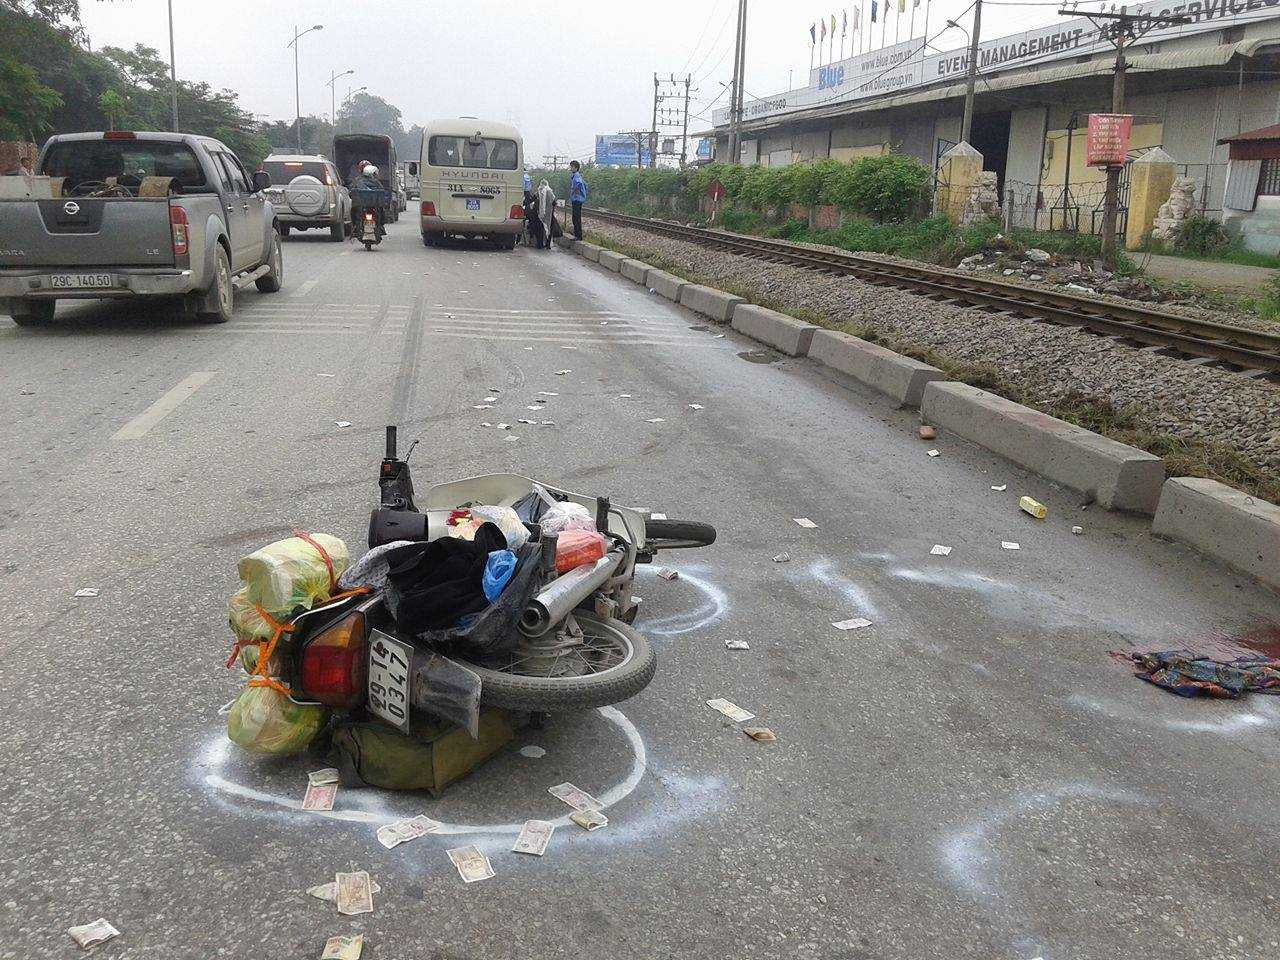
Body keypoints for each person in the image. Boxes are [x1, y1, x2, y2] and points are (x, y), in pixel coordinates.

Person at [351, 163, 385, 238]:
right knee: (381, 210)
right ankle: (381, 227)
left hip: (363, 206)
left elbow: (352, 190)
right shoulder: (376, 181)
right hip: (372, 206)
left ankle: (355, 227)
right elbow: (382, 190)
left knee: (353, 211)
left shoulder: (358, 180)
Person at [568, 160, 587, 240]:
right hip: (577, 199)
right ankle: (577, 235)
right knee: (575, 217)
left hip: (577, 199)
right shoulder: (576, 176)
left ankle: (578, 236)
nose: (571, 168)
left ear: (576, 168)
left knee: (576, 218)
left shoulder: (577, 176)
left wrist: (574, 192)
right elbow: (585, 185)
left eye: (572, 166)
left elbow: (579, 184)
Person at [537, 179, 556, 251]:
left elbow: (535, 199)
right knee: (549, 227)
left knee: (541, 227)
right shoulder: (549, 191)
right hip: (549, 213)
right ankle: (548, 244)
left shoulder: (539, 190)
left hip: (541, 213)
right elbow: (554, 201)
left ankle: (540, 243)